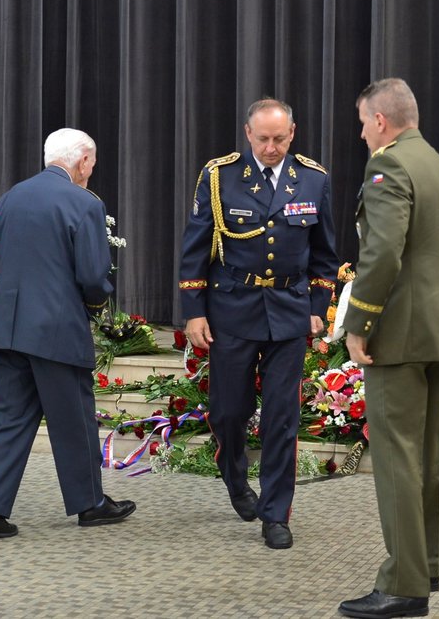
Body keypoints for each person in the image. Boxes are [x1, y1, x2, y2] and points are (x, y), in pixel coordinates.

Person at [178, 98, 339, 549]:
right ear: (248, 134)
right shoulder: (220, 176)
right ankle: (233, 475)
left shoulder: (313, 177)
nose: (271, 147)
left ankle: (276, 513)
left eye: (280, 139)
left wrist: (318, 305)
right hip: (232, 309)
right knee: (230, 411)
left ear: (293, 134)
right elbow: (195, 248)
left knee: (282, 418)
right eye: (263, 139)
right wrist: (194, 311)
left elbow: (325, 253)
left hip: (289, 311)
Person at [339, 78, 439, 619]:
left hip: (398, 334)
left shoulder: (388, 167)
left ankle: (403, 583)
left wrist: (358, 321)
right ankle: (427, 565)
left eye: (365, 122)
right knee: (431, 456)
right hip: (438, 327)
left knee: (397, 458)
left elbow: (383, 252)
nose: (363, 132)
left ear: (382, 122)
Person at [0, 128, 135, 541]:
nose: (90, 174)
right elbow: (94, 277)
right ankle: (90, 504)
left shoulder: (10, 198)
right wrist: (96, 308)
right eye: (91, 166)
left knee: (6, 420)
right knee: (74, 421)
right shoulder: (84, 203)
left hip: (8, 327)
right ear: (82, 161)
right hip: (57, 330)